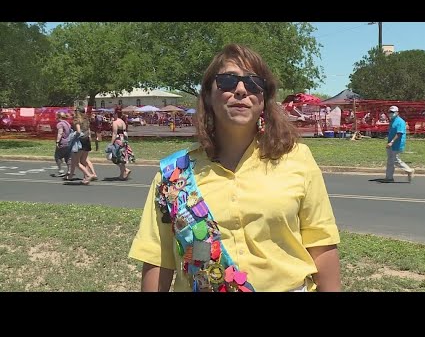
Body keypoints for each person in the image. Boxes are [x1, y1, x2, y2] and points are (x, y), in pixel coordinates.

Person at [128, 43, 341, 292]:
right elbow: (159, 259)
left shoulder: (297, 158)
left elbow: (322, 243)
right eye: (227, 81)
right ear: (208, 95)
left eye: (253, 83)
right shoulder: (174, 175)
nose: (241, 89)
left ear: (263, 99)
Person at [380, 105, 414, 183]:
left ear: (397, 112)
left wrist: (392, 142)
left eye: (392, 112)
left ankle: (409, 170)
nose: (390, 113)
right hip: (390, 143)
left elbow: (399, 133)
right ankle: (389, 177)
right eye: (389, 112)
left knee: (395, 160)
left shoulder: (400, 121)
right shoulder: (392, 121)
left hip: (397, 143)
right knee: (390, 161)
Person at [64, 107, 97, 185]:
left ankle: (88, 175)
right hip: (87, 140)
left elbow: (78, 131)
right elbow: (88, 130)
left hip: (80, 141)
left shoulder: (77, 120)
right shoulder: (86, 120)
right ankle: (86, 177)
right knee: (84, 160)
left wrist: (73, 136)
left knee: (76, 162)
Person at [109, 109, 134, 180]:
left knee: (115, 157)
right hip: (124, 140)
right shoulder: (122, 121)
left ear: (116, 114)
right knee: (121, 157)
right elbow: (124, 131)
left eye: (113, 114)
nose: (112, 115)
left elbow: (114, 133)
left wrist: (111, 143)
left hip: (118, 140)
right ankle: (122, 174)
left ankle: (125, 170)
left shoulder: (115, 122)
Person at [54, 111, 72, 177]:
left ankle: (60, 170)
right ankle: (69, 170)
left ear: (59, 117)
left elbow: (60, 133)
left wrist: (58, 141)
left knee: (57, 156)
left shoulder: (60, 124)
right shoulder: (68, 123)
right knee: (67, 157)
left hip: (62, 142)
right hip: (69, 142)